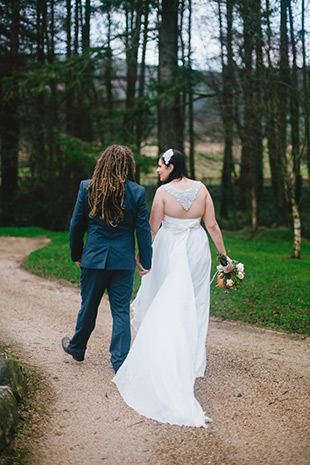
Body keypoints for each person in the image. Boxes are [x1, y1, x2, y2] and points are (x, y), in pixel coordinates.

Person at [113, 148, 230, 428]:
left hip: (169, 248)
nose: (157, 170)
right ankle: (189, 359)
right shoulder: (202, 190)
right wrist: (225, 259)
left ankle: (166, 357)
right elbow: (212, 226)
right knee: (195, 303)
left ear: (171, 166)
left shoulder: (163, 193)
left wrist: (143, 256)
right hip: (196, 248)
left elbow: (152, 229)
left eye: (160, 166)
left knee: (165, 302)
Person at [62, 145, 152, 373]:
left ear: (103, 162)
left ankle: (78, 348)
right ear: (128, 166)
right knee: (120, 310)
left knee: (88, 306)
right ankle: (120, 362)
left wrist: (77, 254)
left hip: (93, 258)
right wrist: (146, 261)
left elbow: (76, 225)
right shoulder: (137, 192)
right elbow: (142, 230)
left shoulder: (87, 187)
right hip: (122, 261)